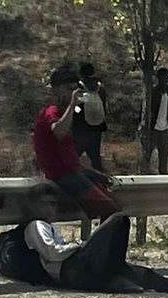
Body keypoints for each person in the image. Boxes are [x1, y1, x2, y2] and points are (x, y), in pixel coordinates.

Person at [21, 182, 168, 294]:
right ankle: (111, 279)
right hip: (71, 270)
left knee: (146, 276)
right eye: (44, 203)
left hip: (79, 269)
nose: (50, 208)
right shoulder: (35, 225)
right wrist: (81, 245)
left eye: (53, 203)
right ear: (33, 206)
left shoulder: (48, 225)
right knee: (118, 220)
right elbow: (52, 253)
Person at [33, 64, 121, 220]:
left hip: (73, 172)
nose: (72, 93)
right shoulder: (50, 111)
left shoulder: (67, 112)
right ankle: (100, 243)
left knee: (114, 199)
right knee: (110, 209)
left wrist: (93, 173)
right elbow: (59, 131)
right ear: (57, 90)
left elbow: (69, 154)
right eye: (68, 89)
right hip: (62, 176)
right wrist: (73, 104)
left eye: (74, 88)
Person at [71, 62, 107, 172]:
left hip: (81, 128)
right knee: (95, 158)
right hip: (96, 128)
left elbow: (74, 107)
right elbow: (104, 106)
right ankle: (103, 183)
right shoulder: (100, 87)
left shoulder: (78, 87)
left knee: (73, 157)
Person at [141, 67, 168, 175]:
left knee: (163, 158)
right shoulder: (153, 93)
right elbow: (146, 111)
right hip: (153, 130)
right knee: (148, 155)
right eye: (167, 76)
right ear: (162, 78)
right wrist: (145, 126)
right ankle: (146, 178)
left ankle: (163, 179)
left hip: (165, 130)